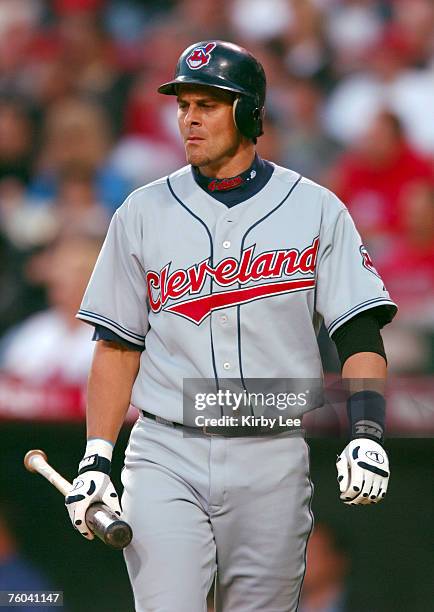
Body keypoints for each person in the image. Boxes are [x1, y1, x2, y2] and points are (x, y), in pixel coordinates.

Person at [65, 41, 397, 611]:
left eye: (208, 105)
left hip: (271, 451)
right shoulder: (141, 212)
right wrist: (98, 455)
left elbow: (360, 332)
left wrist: (367, 434)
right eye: (183, 104)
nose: (189, 118)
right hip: (166, 449)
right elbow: (116, 345)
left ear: (248, 113)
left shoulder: (314, 208)